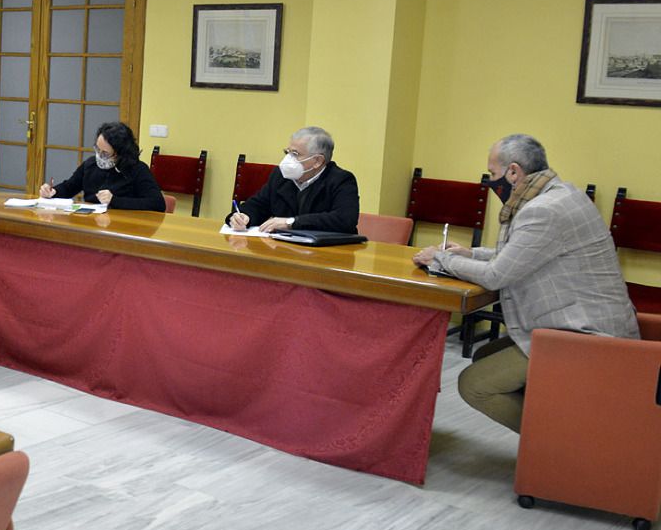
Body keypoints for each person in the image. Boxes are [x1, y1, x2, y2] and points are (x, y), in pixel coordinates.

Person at [414, 134, 639, 431]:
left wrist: (440, 259)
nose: (491, 182)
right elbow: (523, 254)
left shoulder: (542, 210)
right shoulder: (564, 194)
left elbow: (496, 275)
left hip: (586, 338)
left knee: (475, 385)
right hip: (591, 326)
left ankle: (555, 440)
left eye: (493, 174)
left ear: (513, 172)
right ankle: (560, 426)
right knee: (484, 355)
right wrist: (471, 254)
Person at [226, 125, 359, 233]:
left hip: (328, 252)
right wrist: (243, 217)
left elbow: (344, 220)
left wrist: (291, 223)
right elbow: (258, 205)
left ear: (318, 161)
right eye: (287, 152)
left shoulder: (341, 180)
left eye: (295, 154)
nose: (288, 159)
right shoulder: (280, 176)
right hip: (284, 249)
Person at [39, 120, 164, 211]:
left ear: (120, 153)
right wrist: (53, 192)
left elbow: (157, 203)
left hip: (123, 226)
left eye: (105, 153)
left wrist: (114, 200)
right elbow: (69, 187)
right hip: (92, 222)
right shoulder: (90, 164)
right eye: (97, 149)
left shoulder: (138, 170)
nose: (99, 155)